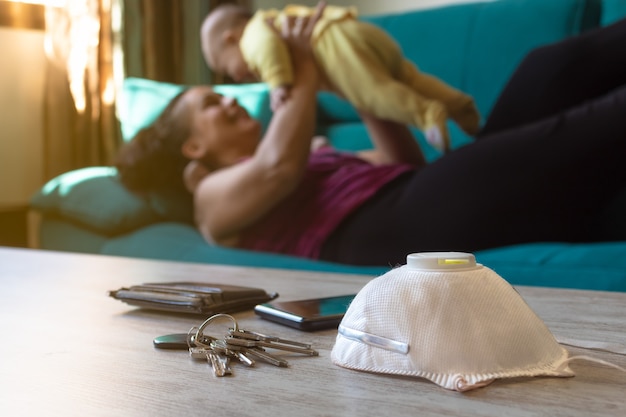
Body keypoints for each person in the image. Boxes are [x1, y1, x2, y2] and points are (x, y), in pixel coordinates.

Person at [115, 7, 626, 268]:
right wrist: (305, 70)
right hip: (383, 232)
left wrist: (354, 83)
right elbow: (276, 169)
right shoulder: (210, 203)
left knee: (547, 68)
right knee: (585, 127)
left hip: (419, 193)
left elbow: (399, 158)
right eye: (211, 104)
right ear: (194, 148)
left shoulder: (314, 149)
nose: (229, 99)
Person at [199, 2, 481, 152]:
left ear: (231, 38)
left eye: (226, 68)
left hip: (333, 41)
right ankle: (461, 106)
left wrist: (279, 84)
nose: (236, 77)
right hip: (356, 32)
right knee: (409, 78)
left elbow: (267, 49)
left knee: (375, 91)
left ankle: (427, 114)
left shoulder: (255, 34)